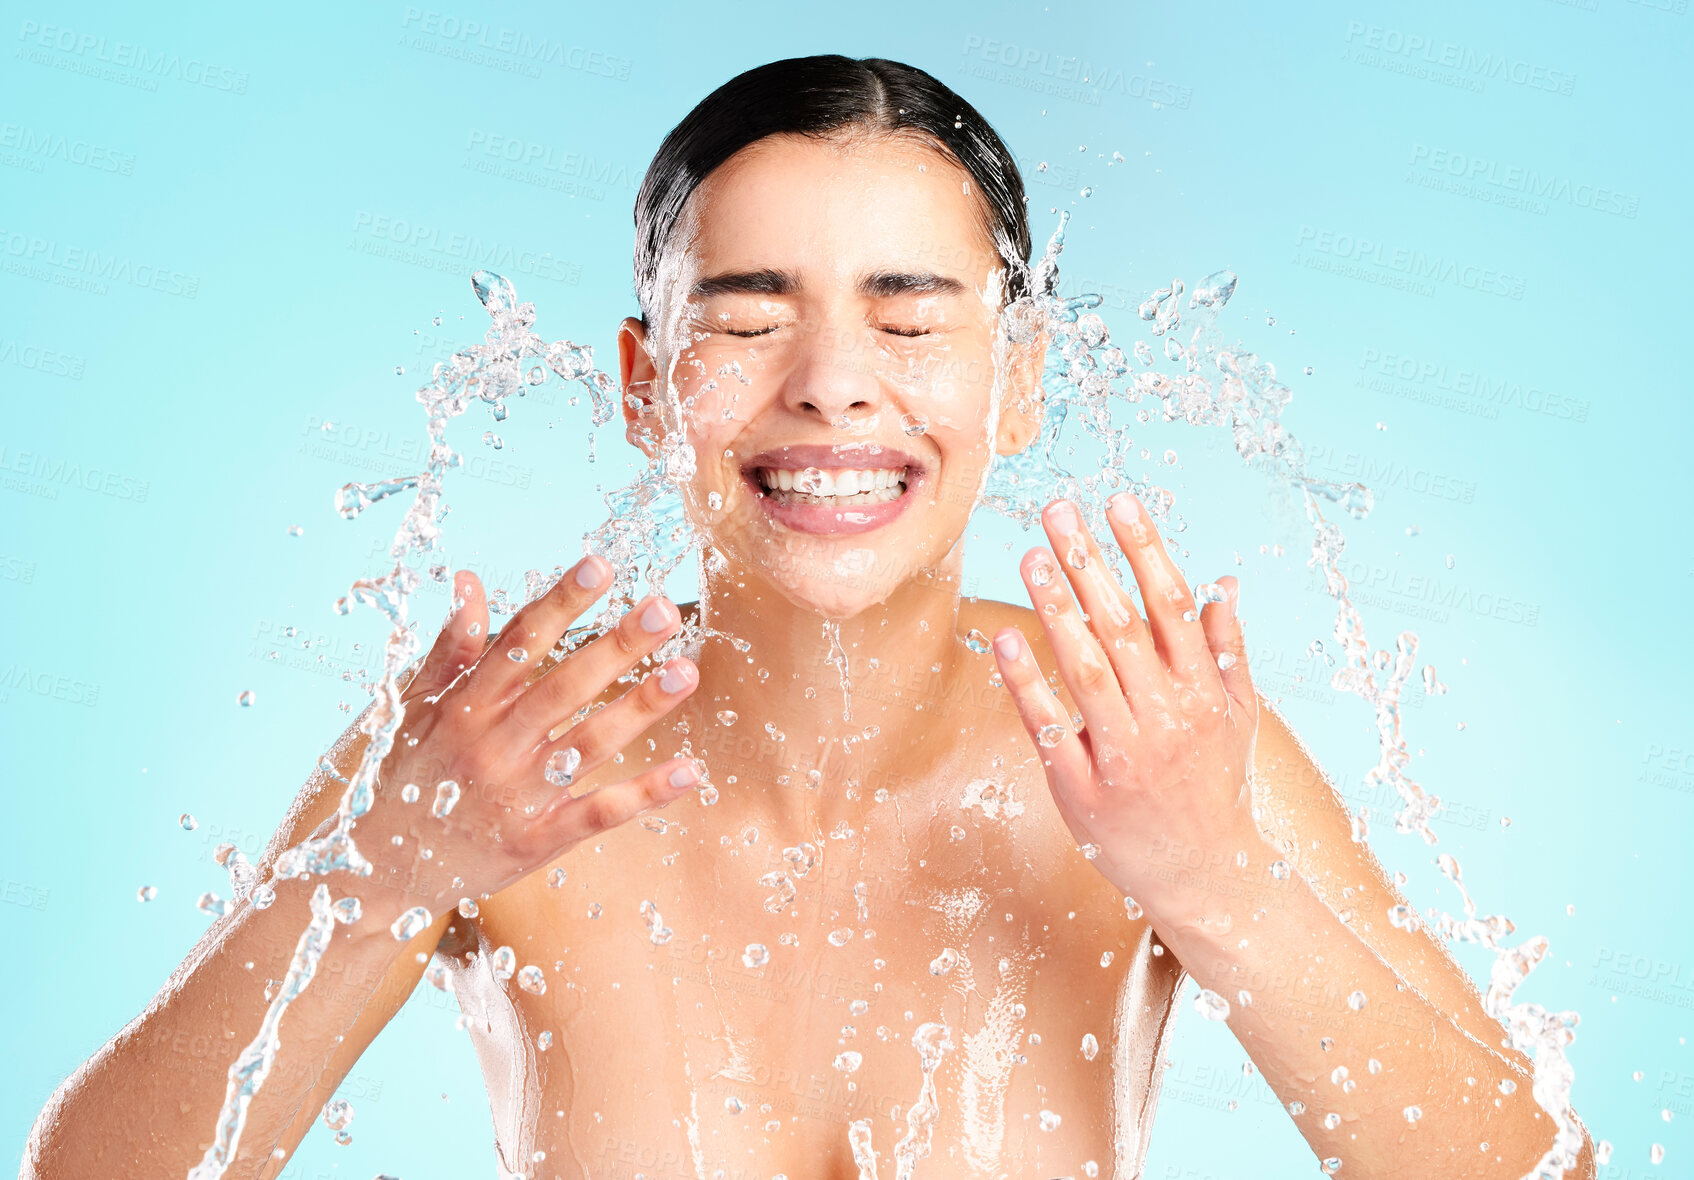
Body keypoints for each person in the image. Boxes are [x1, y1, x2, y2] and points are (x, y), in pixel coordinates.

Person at [26, 55, 1594, 1180]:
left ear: (1020, 375)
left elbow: (1527, 1172)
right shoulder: (495, 764)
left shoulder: (1155, 748)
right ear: (647, 387)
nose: (831, 380)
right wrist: (394, 876)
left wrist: (1220, 886)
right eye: (746, 315)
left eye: (909, 315)